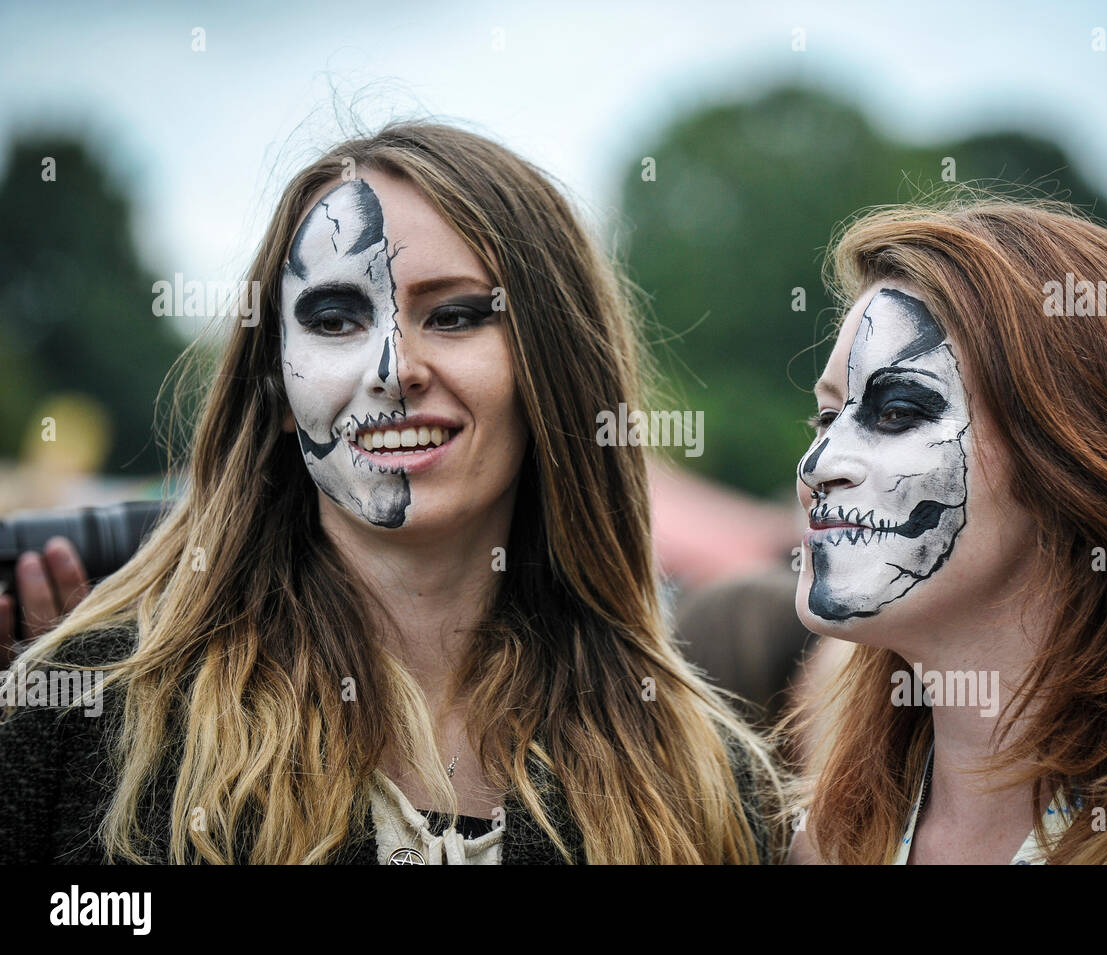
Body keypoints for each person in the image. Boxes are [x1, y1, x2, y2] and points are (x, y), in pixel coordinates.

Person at [0, 121, 783, 865]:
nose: (393, 366)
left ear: (555, 368)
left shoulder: (700, 769)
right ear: (274, 383)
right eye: (335, 318)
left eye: (453, 315)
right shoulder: (88, 716)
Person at [784, 198, 1107, 864]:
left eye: (898, 410)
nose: (817, 465)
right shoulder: (831, 840)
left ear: (1078, 460)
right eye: (826, 419)